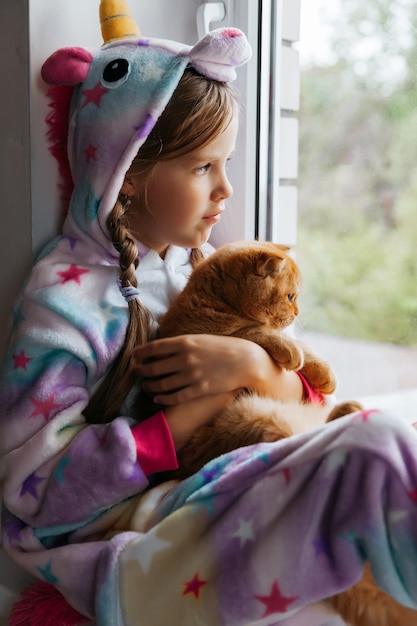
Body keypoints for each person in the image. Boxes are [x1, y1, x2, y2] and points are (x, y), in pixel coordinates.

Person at [2, 3, 417, 626]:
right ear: (130, 171)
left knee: (374, 436)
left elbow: (297, 400)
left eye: (226, 162)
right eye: (202, 167)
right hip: (138, 545)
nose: (225, 188)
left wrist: (251, 363)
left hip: (217, 487)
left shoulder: (208, 272)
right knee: (376, 448)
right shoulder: (64, 300)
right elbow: (34, 486)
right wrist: (192, 411)